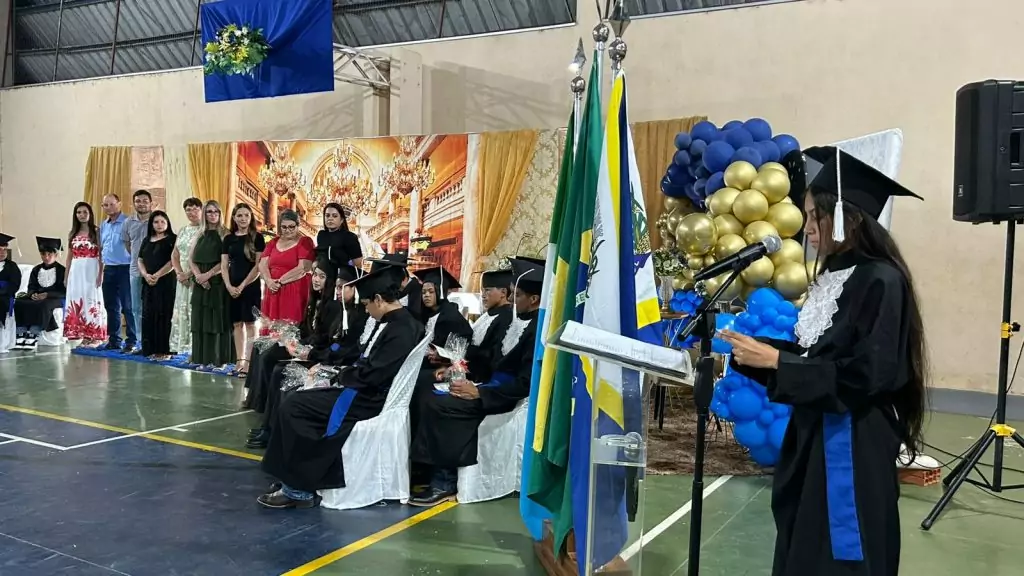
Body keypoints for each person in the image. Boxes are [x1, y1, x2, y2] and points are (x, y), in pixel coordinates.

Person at [719, 147, 927, 576]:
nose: (808, 226)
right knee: (804, 543)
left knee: (838, 555)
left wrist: (779, 363)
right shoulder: (835, 276)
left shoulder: (881, 280)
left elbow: (867, 375)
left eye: (817, 216)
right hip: (815, 432)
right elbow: (818, 354)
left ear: (850, 218)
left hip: (851, 441)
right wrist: (753, 353)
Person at [258, 264, 425, 509]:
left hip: (368, 398)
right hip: (364, 388)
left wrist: (335, 375)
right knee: (295, 396)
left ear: (379, 300)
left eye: (367, 304)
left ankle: (299, 489)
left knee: (295, 406)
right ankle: (290, 476)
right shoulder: (397, 323)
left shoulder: (400, 330)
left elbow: (372, 374)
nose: (366, 310)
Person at [409, 257, 544, 506]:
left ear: (534, 299)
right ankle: (428, 470)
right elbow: (491, 360)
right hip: (491, 385)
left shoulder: (537, 330)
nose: (512, 300)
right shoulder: (519, 321)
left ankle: (445, 482)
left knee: (444, 406)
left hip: (506, 395)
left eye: (516, 295)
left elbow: (525, 382)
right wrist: (458, 370)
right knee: (433, 395)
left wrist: (480, 393)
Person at [244, 258, 345, 449]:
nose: (316, 280)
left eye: (322, 276)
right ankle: (265, 419)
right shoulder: (314, 300)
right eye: (315, 275)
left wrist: (302, 347)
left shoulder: (332, 306)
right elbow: (305, 329)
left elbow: (324, 339)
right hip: (305, 349)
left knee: (277, 368)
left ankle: (270, 428)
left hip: (316, 355)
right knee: (263, 349)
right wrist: (289, 337)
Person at [188, 200, 234, 369]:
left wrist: (208, 275)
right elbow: (190, 259)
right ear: (204, 214)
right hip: (200, 282)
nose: (213, 215)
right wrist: (199, 276)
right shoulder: (199, 233)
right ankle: (202, 359)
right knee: (200, 320)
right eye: (209, 211)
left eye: (216, 211)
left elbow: (226, 261)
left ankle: (218, 359)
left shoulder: (226, 234)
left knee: (216, 321)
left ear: (220, 214)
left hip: (218, 281)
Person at [222, 203, 265, 377]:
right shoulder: (228, 239)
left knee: (250, 324)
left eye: (246, 215)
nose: (243, 218)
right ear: (234, 218)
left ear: (251, 217)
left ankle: (249, 362)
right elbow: (224, 265)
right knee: (237, 324)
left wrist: (242, 285)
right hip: (232, 287)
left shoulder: (257, 238)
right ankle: (239, 361)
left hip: (250, 286)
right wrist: (228, 286)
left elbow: (258, 266)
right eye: (239, 215)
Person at [259, 210, 314, 324]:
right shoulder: (273, 242)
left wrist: (280, 282)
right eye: (284, 227)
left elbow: (303, 268)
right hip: (272, 289)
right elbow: (262, 264)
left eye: (291, 227)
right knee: (270, 327)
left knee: (289, 328)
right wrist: (269, 281)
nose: (287, 230)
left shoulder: (305, 241)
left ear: (298, 226)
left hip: (294, 290)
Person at [64, 201, 107, 346]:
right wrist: (66, 276)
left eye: (85, 212)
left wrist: (101, 273)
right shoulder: (72, 233)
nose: (82, 215)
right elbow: (69, 257)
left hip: (91, 268)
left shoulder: (96, 231)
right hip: (76, 270)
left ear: (90, 214)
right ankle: (84, 335)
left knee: (92, 300)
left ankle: (96, 335)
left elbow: (101, 254)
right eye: (79, 212)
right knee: (78, 300)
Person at [14, 237, 67, 350]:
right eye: (43, 254)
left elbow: (63, 291)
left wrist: (47, 295)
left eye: (49, 254)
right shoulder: (36, 269)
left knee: (44, 305)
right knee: (19, 302)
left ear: (56, 255)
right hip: (38, 296)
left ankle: (34, 332)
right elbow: (31, 286)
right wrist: (32, 294)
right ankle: (20, 331)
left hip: (55, 298)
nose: (46, 257)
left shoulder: (62, 270)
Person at [463, 269, 514, 383]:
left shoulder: (506, 318)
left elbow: (489, 354)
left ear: (503, 292)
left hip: (484, 379)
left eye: (487, 290)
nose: (483, 295)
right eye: (482, 291)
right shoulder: (488, 314)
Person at [138, 211, 177, 359]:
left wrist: (157, 275)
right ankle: (150, 349)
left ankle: (164, 350)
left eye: (162, 222)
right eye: (156, 222)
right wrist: (145, 275)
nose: (159, 225)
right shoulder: (147, 240)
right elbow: (140, 259)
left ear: (167, 223)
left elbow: (173, 261)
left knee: (164, 315)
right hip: (148, 282)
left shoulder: (173, 239)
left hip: (166, 282)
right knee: (148, 314)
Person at [99, 193, 136, 351]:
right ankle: (114, 340)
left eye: (112, 204)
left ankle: (132, 341)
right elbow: (102, 247)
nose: (109, 208)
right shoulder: (104, 225)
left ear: (119, 204)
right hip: (109, 268)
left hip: (125, 268)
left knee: (128, 306)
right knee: (111, 306)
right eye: (105, 205)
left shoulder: (128, 222)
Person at [169, 197, 203, 354]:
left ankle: (195, 347)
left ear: (201, 210)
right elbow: (175, 254)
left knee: (194, 310)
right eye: (188, 210)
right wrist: (179, 273)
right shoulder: (183, 230)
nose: (191, 212)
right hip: (181, 276)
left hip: (197, 276)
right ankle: (182, 345)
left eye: (195, 209)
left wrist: (189, 274)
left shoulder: (204, 230)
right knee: (181, 310)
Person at [122, 189, 153, 353]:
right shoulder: (128, 222)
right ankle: (141, 342)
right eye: (138, 201)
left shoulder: (157, 220)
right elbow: (128, 245)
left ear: (151, 203)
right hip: (135, 271)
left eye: (145, 201)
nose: (141, 204)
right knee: (136, 308)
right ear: (133, 203)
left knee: (153, 308)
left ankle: (155, 341)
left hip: (155, 272)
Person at [316, 202, 363, 288]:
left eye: (334, 216)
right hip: (322, 280)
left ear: (341, 220)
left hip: (340, 280)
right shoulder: (321, 235)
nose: (330, 218)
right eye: (327, 215)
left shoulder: (350, 237)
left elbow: (358, 264)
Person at [0, 234, 23, 354]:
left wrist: (3, 291)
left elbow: (14, 284)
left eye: (5, 249)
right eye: (0, 249)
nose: (2, 252)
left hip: (4, 296)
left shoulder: (12, 266)